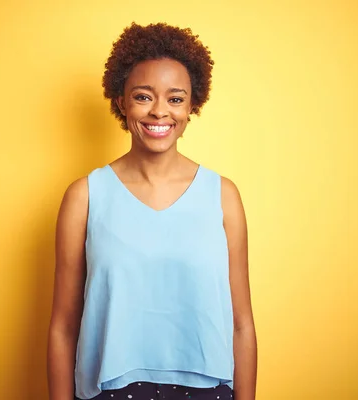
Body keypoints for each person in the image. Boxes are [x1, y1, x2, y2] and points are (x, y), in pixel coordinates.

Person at [47, 22, 257, 400]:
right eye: (143, 96)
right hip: (109, 392)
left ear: (193, 105)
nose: (160, 111)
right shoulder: (84, 197)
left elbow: (241, 324)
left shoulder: (222, 196)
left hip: (208, 391)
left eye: (175, 99)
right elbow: (63, 327)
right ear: (120, 101)